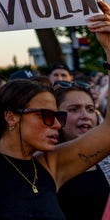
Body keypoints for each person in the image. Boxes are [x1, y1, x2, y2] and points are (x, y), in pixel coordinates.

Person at [0, 0, 110, 219]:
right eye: (47, 116)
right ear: (12, 117)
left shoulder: (51, 166)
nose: (58, 124)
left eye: (58, 116)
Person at [54, 81, 110, 219]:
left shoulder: (106, 161)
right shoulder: (45, 162)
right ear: (56, 116)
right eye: (74, 109)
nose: (85, 115)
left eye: (90, 109)